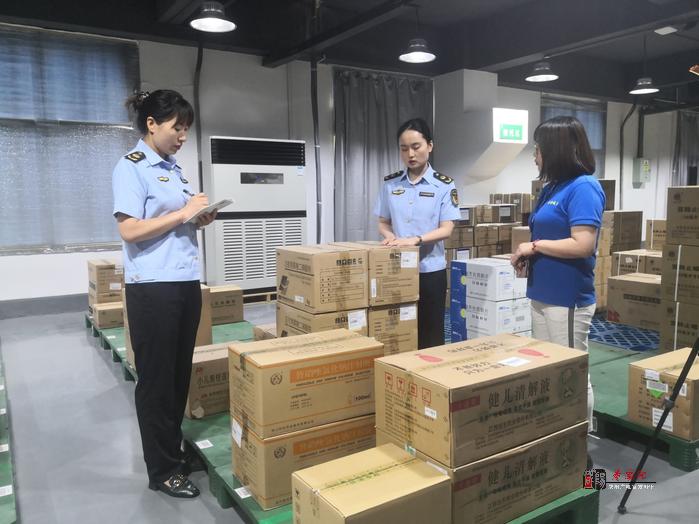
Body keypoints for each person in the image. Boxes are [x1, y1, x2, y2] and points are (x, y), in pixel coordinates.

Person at [112, 89, 215, 498]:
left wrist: (198, 217)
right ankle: (162, 470)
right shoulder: (131, 167)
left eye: (187, 129)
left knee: (177, 375)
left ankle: (173, 451)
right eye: (177, 127)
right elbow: (129, 229)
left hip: (184, 281)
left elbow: (177, 220)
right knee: (156, 381)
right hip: (153, 287)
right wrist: (183, 213)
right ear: (152, 124)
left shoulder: (173, 170)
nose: (183, 136)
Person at [510, 115, 605, 443]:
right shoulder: (551, 188)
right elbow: (548, 234)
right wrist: (529, 257)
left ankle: (579, 444)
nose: (534, 155)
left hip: (567, 298)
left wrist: (534, 246)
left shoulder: (584, 188)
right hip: (542, 292)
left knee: (571, 372)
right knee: (549, 368)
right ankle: (556, 436)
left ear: (556, 150)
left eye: (538, 149)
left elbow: (582, 244)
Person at [374, 118, 461, 349]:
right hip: (397, 269)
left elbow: (447, 228)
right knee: (398, 331)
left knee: (431, 333)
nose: (410, 154)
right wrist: (389, 236)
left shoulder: (444, 185)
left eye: (416, 147)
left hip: (430, 271)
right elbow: (383, 222)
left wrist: (416, 240)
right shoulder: (391, 184)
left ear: (429, 146)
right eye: (404, 149)